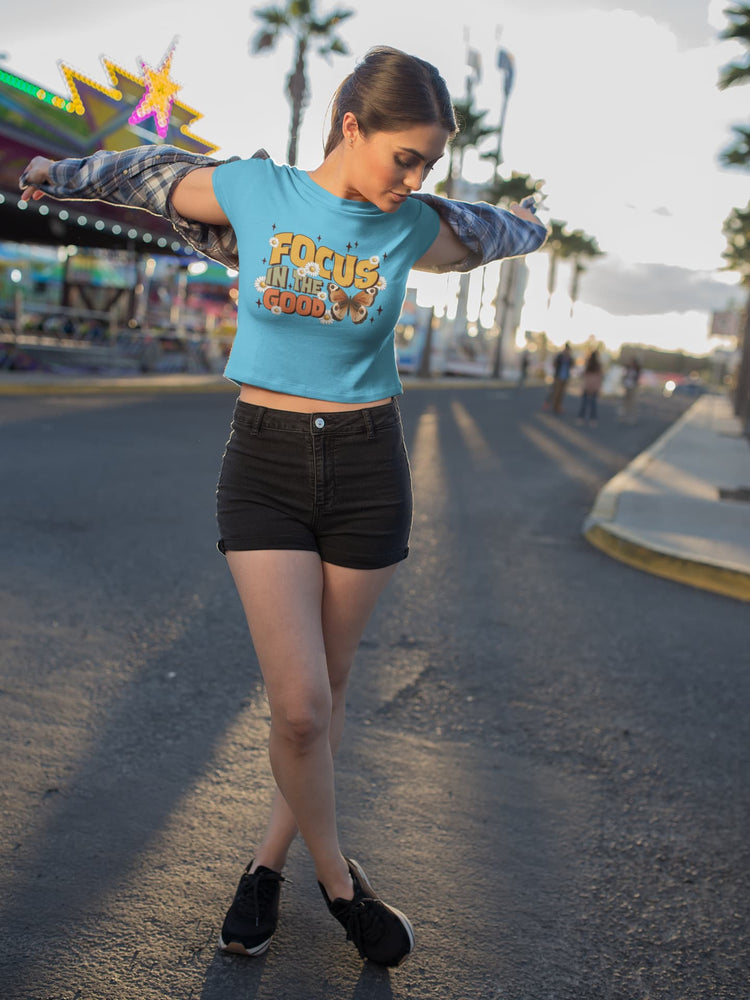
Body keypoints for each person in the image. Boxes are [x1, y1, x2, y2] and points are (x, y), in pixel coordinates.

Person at [20, 46, 547, 969]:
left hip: (368, 466)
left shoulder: (413, 224)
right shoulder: (258, 193)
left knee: (327, 697)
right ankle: (341, 884)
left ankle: (264, 866)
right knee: (299, 708)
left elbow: (489, 230)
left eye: (429, 166)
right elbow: (141, 176)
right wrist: (52, 173)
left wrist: (534, 225)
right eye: (406, 158)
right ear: (353, 126)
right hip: (263, 462)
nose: (415, 181)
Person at [577, 349, 603, 425]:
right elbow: (599, 378)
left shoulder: (589, 365)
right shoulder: (596, 366)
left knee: (585, 404)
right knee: (592, 404)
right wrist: (597, 387)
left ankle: (582, 418)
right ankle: (592, 419)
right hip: (592, 387)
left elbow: (585, 376)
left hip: (588, 387)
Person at [548, 342, 574, 414]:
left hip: (565, 377)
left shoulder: (569, 358)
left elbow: (572, 365)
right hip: (558, 377)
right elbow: (555, 364)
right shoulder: (560, 356)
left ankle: (558, 406)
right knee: (556, 392)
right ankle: (554, 406)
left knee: (562, 393)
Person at [620, 356, 642, 423]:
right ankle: (624, 417)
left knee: (632, 403)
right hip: (627, 387)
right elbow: (624, 376)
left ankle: (632, 418)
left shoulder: (637, 370)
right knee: (626, 402)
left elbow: (636, 378)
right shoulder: (627, 368)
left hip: (633, 387)